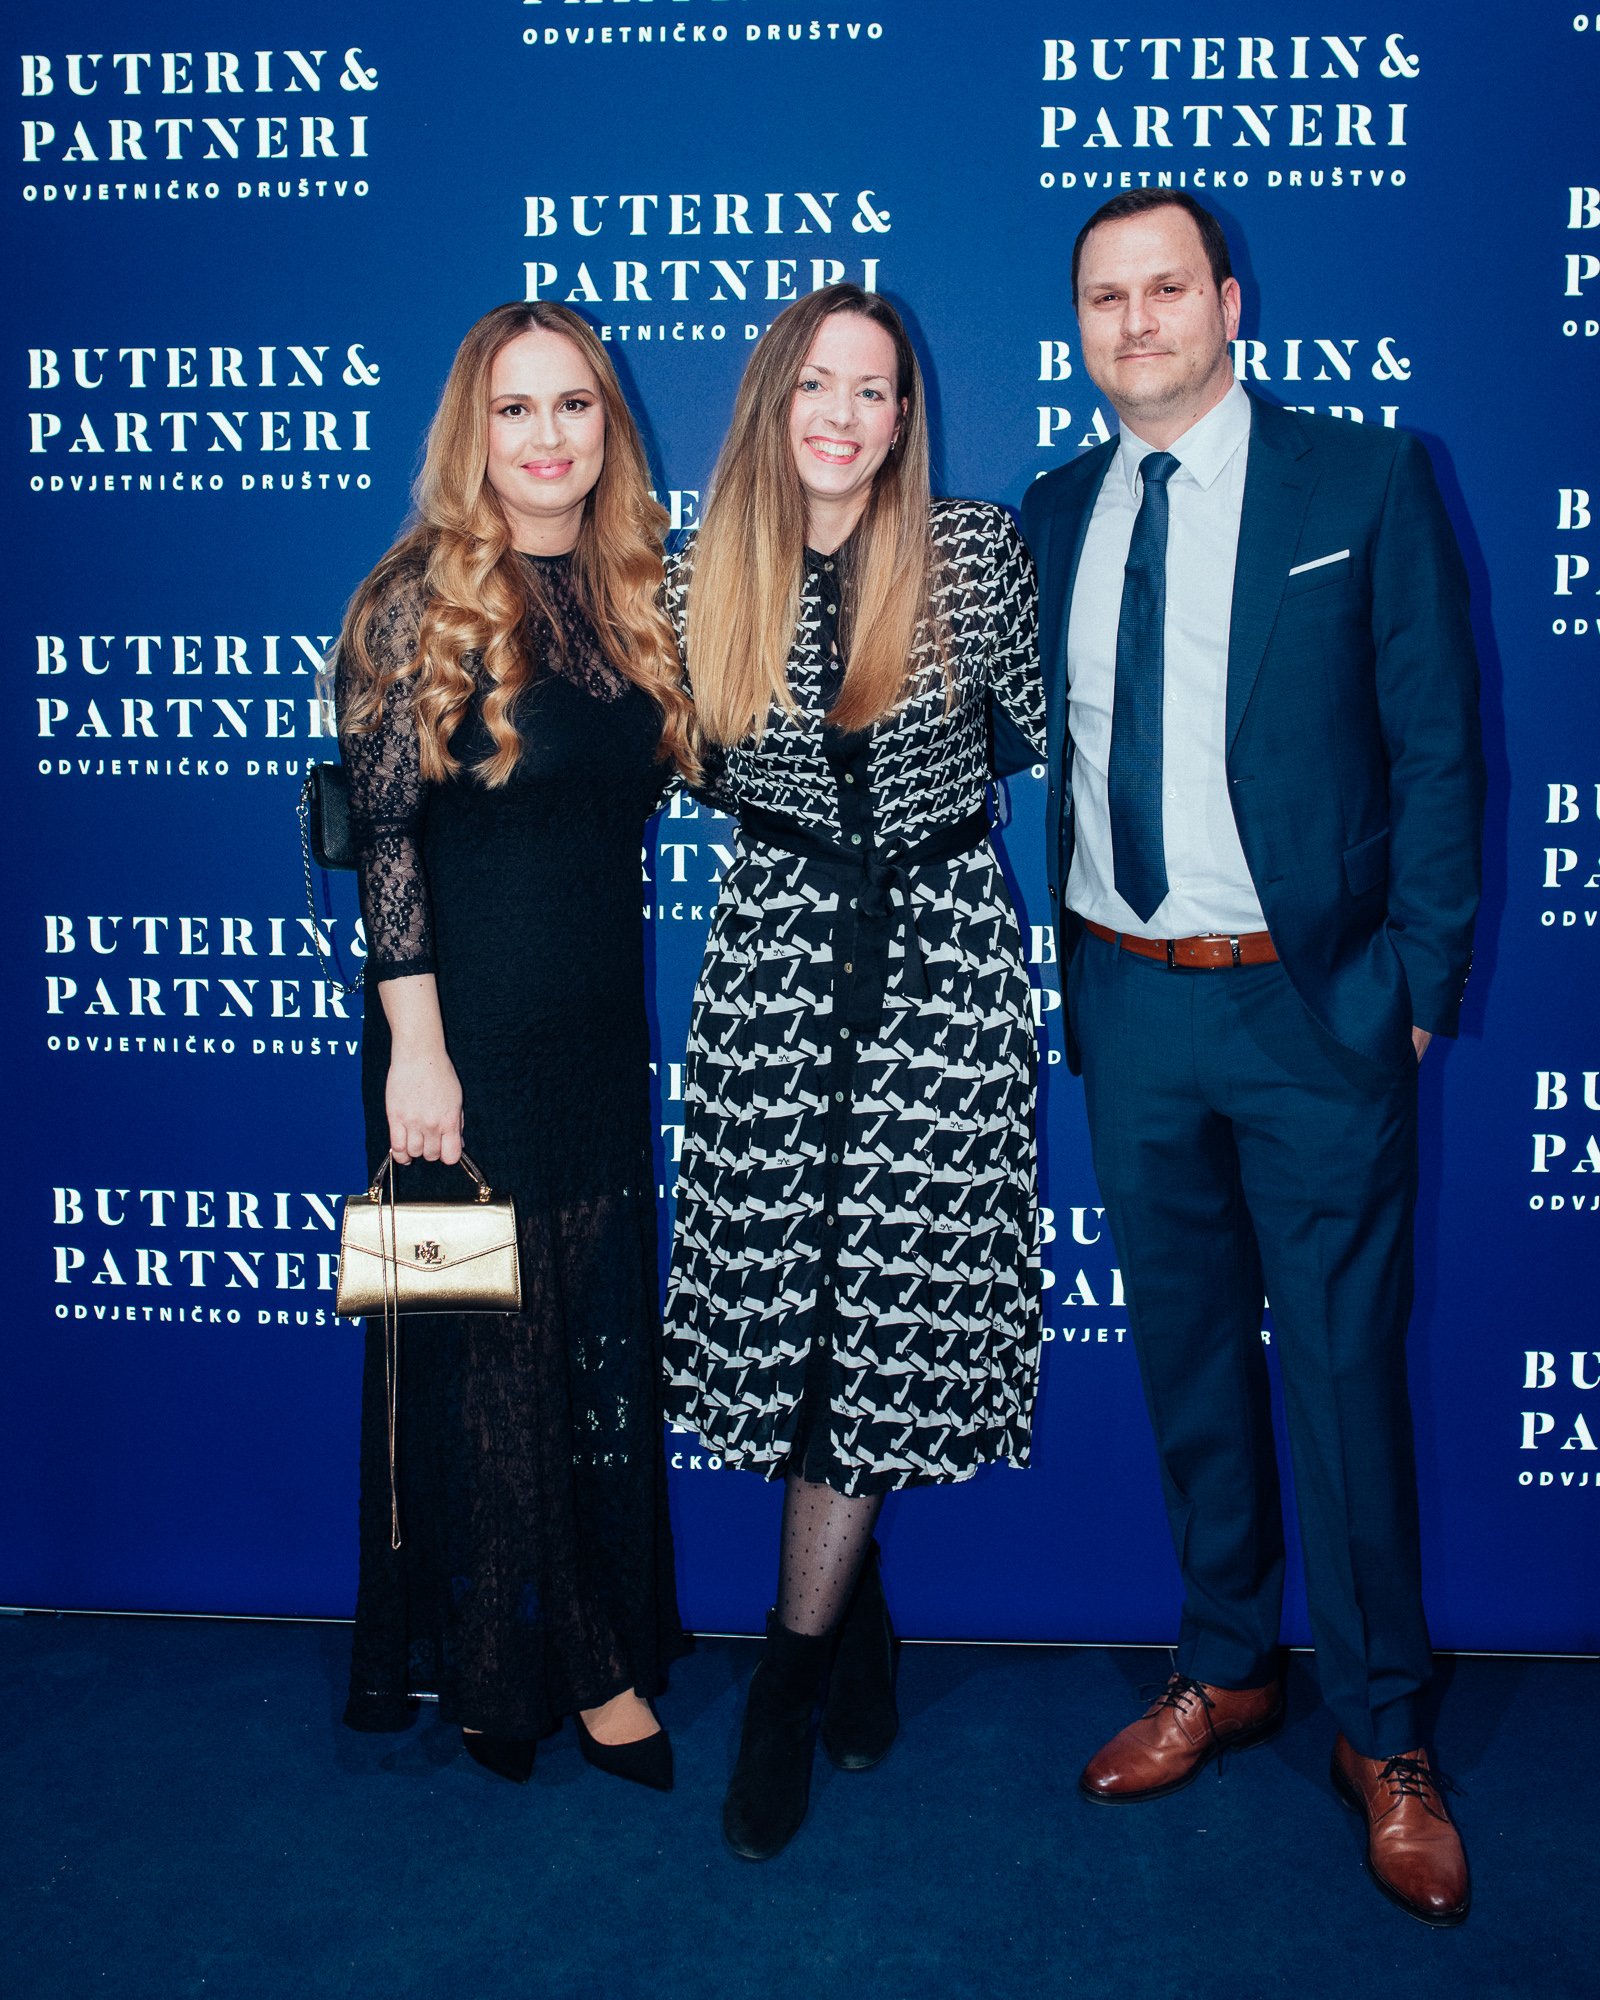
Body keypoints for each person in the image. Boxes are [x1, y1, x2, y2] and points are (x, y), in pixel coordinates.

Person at [1021, 191, 1484, 1926]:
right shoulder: (1052, 513)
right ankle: (1226, 1664)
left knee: (1345, 1373)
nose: (1134, 322)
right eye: (1101, 299)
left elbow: (1439, 748)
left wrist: (1417, 983)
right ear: (1078, 326)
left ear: (1228, 304)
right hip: (1129, 1003)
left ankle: (1385, 1727)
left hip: (1314, 1004)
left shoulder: (1360, 481)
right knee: (1191, 1356)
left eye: (1163, 290)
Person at [665, 284, 1046, 1859]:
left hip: (940, 974)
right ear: (774, 402)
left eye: (873, 391)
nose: (842, 413)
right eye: (816, 384)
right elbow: (682, 766)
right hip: (773, 972)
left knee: (874, 1330)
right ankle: (859, 1624)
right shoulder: (697, 580)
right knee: (797, 1329)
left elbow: (1031, 746)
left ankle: (786, 1681)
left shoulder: (970, 557)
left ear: (905, 417)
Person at [335, 301, 696, 1790]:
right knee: (480, 1350)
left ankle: (594, 1642)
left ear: (607, 429)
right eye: (516, 410)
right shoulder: (409, 600)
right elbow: (386, 841)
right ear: (470, 434)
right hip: (457, 1040)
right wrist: (418, 1050)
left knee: (588, 1350)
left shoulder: (629, 591)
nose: (549, 439)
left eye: (576, 408)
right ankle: (500, 1664)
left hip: (597, 1035)